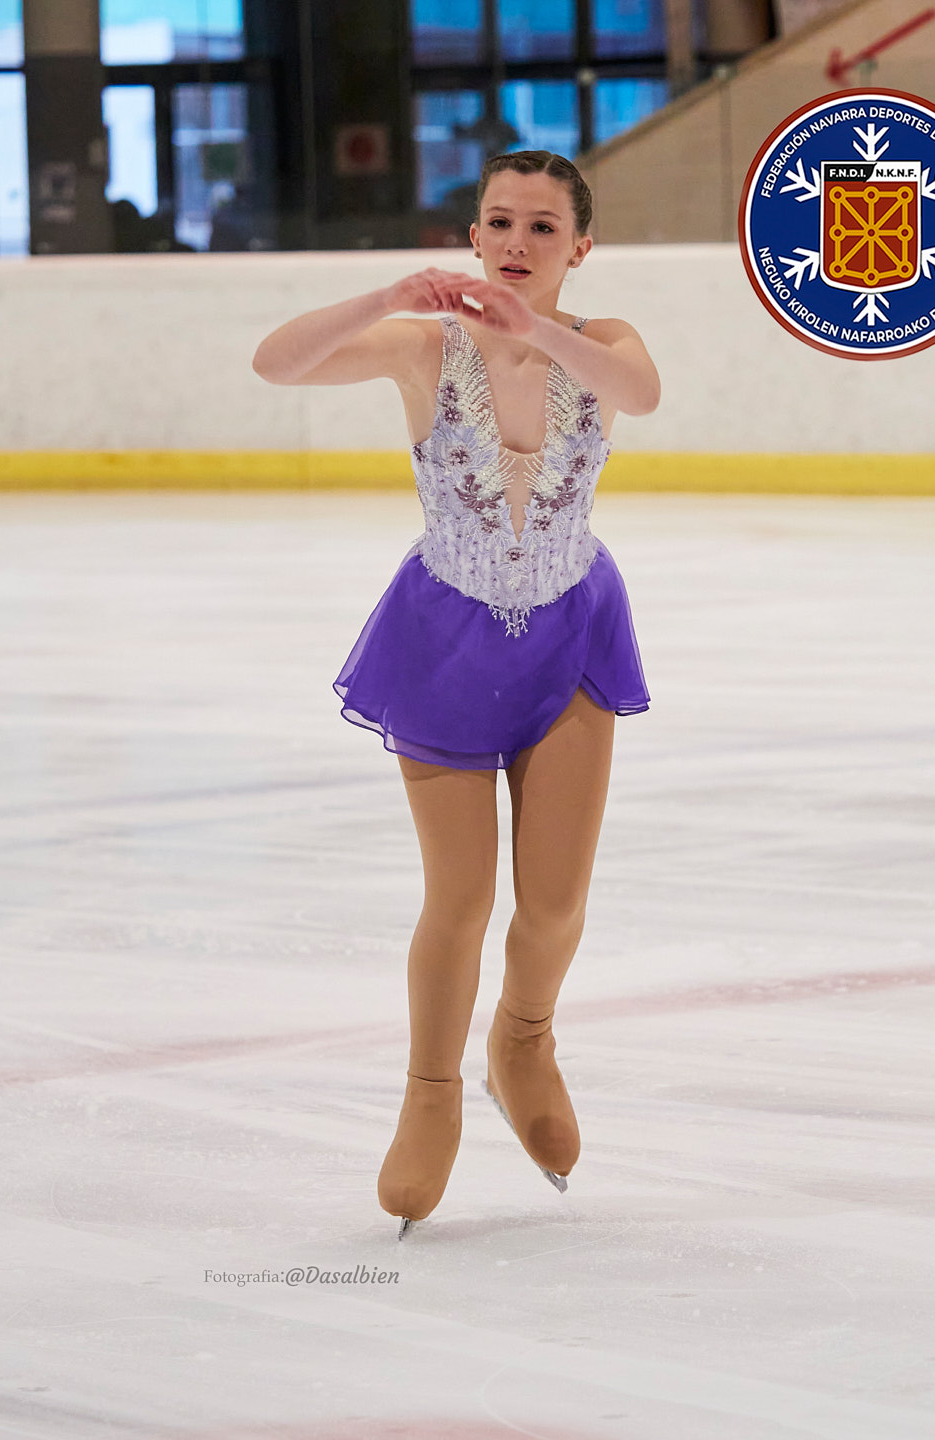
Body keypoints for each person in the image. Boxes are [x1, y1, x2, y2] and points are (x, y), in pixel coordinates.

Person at [252, 150, 660, 1238]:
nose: (517, 244)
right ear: (472, 238)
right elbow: (276, 364)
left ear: (579, 247)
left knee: (558, 903)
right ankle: (430, 1092)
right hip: (444, 643)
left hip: (571, 631)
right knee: (463, 901)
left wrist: (541, 333)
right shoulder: (423, 350)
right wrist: (386, 295)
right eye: (499, 223)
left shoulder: (604, 344)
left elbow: (642, 395)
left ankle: (522, 1040)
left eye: (542, 227)